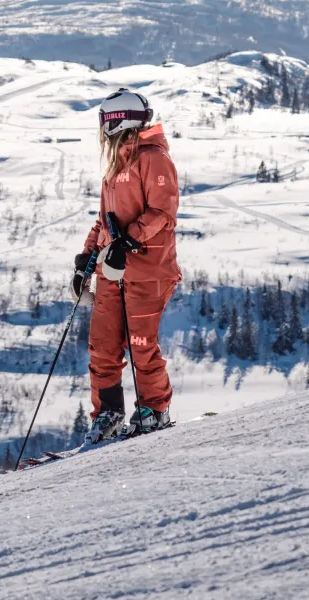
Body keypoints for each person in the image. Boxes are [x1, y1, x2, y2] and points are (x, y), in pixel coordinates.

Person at [72, 88, 181, 443]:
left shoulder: (153, 159)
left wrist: (128, 241)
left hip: (148, 271)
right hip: (112, 271)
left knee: (140, 344)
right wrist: (88, 258)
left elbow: (162, 212)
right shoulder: (117, 164)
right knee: (102, 346)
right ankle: (107, 413)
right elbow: (104, 220)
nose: (103, 130)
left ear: (120, 121)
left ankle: (155, 409)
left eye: (106, 122)